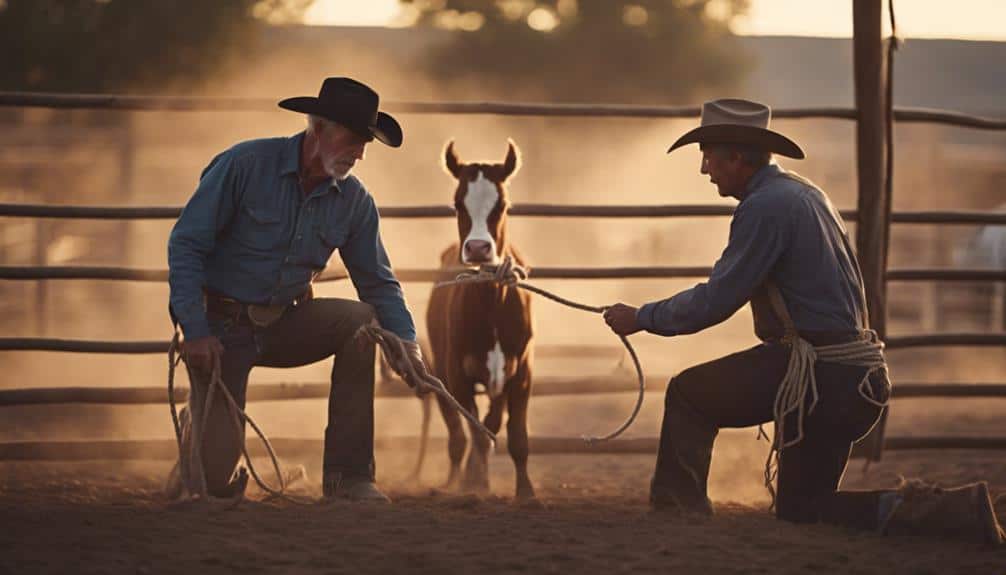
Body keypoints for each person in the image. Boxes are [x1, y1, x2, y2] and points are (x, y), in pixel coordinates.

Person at [602, 98, 1004, 544]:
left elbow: (715, 301)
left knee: (688, 394)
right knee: (804, 508)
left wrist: (642, 317)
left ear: (737, 156)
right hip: (853, 380)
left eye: (709, 155)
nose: (704, 169)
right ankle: (952, 511)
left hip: (819, 377)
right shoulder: (806, 194)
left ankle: (677, 516)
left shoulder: (765, 208)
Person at [167, 77, 427, 503]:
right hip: (221, 330)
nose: (361, 152)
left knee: (362, 323)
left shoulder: (355, 201)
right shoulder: (243, 166)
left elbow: (377, 281)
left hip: (286, 323)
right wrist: (194, 330)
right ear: (318, 128)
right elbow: (187, 245)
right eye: (353, 138)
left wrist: (407, 346)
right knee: (214, 486)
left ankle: (349, 478)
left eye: (366, 142)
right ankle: (202, 430)